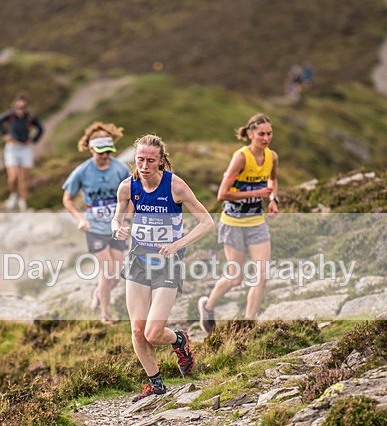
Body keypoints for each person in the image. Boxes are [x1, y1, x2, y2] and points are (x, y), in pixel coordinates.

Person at [111, 134, 214, 403]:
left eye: (150, 161)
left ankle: (179, 341)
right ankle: (156, 385)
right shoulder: (128, 186)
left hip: (167, 263)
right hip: (138, 260)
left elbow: (207, 223)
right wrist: (118, 229)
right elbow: (116, 218)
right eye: (140, 160)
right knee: (137, 331)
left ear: (161, 161)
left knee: (153, 333)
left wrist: (178, 243)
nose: (144, 166)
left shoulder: (175, 186)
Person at [197, 114, 279, 334]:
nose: (265, 138)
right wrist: (256, 192)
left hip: (257, 223)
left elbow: (272, 180)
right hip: (233, 223)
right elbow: (222, 194)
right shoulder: (241, 158)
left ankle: (249, 324)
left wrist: (272, 199)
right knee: (235, 278)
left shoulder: (272, 157)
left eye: (269, 133)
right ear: (250, 134)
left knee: (262, 275)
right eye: (261, 134)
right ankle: (207, 306)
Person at [62, 122, 131, 323]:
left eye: (109, 151)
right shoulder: (82, 172)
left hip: (116, 226)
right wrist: (80, 218)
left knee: (116, 275)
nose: (105, 155)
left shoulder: (119, 168)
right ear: (91, 149)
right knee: (108, 270)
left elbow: (132, 195)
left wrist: (126, 218)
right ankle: (105, 314)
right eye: (101, 151)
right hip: (94, 227)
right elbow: (67, 199)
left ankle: (99, 293)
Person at [0, 93, 44, 212]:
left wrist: (33, 140)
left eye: (23, 107)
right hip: (12, 148)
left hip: (25, 148)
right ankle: (13, 195)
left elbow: (40, 129)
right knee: (13, 176)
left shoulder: (30, 118)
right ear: (15, 106)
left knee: (24, 177)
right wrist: (4, 135)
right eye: (18, 107)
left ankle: (23, 201)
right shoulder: (10, 116)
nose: (20, 110)